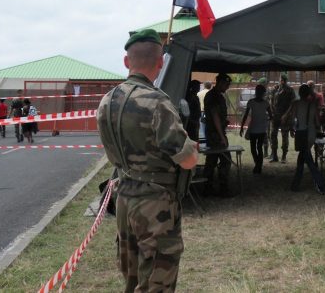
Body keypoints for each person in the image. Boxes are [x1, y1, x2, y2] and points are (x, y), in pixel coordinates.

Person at [96, 29, 198, 292]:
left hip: (124, 198)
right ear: (160, 62)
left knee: (132, 279)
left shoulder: (107, 101)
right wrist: (192, 148)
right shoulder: (157, 102)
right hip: (156, 204)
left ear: (126, 62)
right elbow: (187, 160)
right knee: (156, 282)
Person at [282, 84, 325, 194]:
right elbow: (317, 122)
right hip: (311, 134)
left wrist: (291, 128)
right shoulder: (313, 105)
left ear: (300, 93)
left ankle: (320, 185)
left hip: (302, 133)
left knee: (309, 161)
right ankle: (295, 185)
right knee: (302, 158)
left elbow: (292, 119)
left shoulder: (296, 104)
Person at [203, 72, 233, 197]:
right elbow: (215, 116)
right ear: (220, 83)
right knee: (225, 160)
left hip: (215, 132)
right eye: (226, 85)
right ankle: (222, 188)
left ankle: (208, 187)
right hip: (215, 134)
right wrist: (222, 137)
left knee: (212, 159)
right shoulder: (213, 96)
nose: (227, 87)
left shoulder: (217, 96)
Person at [240, 84, 272, 174]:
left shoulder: (251, 102)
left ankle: (257, 165)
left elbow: (246, 115)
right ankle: (259, 166)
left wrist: (242, 127)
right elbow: (271, 116)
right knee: (259, 147)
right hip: (261, 129)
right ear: (263, 93)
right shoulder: (266, 103)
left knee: (253, 148)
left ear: (256, 92)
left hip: (254, 129)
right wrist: (265, 120)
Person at [269, 73, 296, 163]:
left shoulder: (290, 90)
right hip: (275, 115)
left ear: (286, 80)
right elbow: (271, 100)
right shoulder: (275, 89)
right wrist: (272, 112)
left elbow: (292, 104)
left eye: (284, 80)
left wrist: (286, 115)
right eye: (281, 79)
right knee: (273, 135)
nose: (282, 81)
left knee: (285, 136)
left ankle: (284, 156)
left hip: (285, 116)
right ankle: (274, 156)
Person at [257, 77, 270, 158]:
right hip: (259, 117)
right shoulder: (259, 93)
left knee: (265, 135)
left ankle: (265, 152)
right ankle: (262, 152)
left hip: (265, 117)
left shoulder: (267, 93)